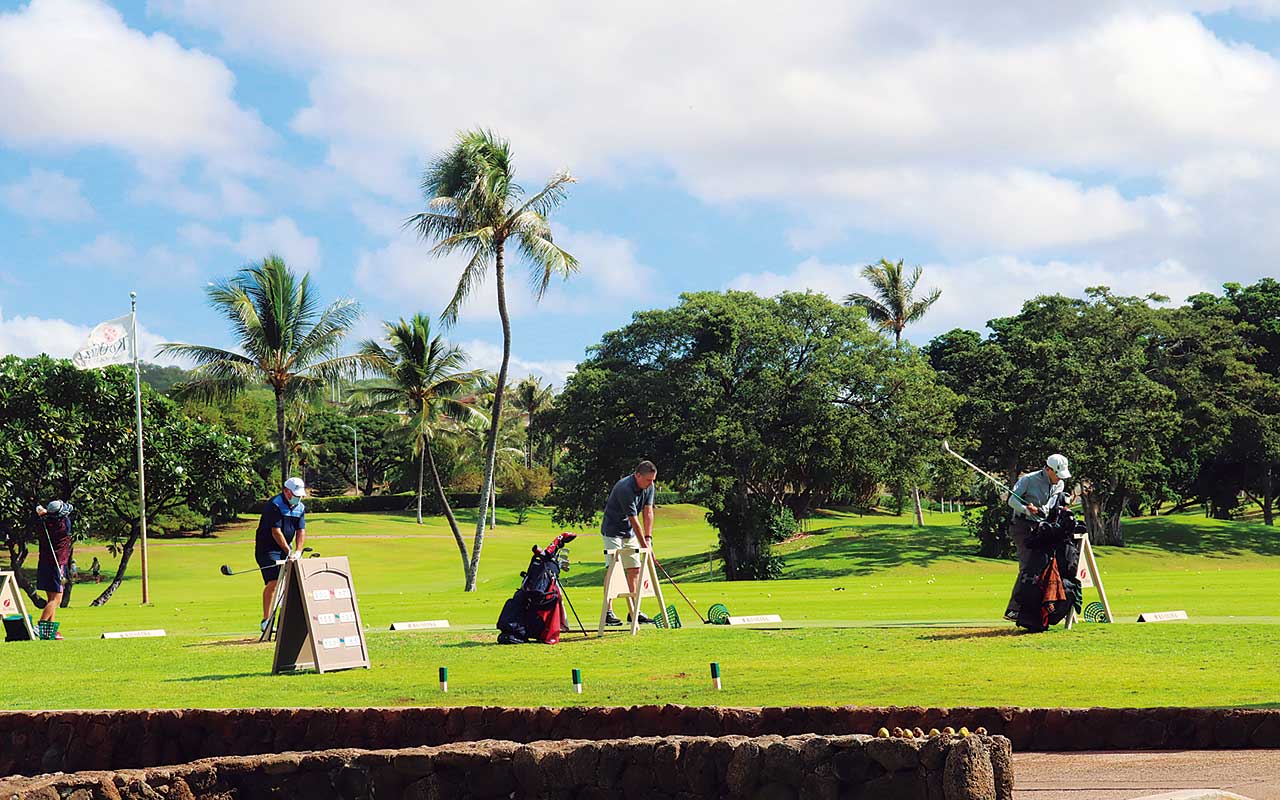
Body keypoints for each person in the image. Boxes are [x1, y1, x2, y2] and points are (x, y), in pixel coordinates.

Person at [1004, 453, 1070, 621]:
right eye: (1057, 474)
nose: (1059, 479)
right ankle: (1014, 610)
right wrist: (1027, 509)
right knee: (1027, 566)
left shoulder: (1059, 484)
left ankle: (1037, 609)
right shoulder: (1028, 480)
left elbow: (1049, 506)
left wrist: (1041, 511)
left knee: (1042, 565)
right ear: (1048, 469)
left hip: (1041, 526)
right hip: (1022, 526)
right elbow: (1012, 501)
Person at [600, 460, 658, 626]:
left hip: (629, 533)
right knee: (613, 569)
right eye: (648, 480)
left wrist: (648, 539)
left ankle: (634, 611)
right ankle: (608, 612)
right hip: (612, 531)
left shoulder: (649, 486)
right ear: (637, 475)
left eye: (653, 480)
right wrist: (645, 547)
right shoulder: (625, 488)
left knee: (634, 569)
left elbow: (648, 512)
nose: (650, 484)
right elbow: (634, 520)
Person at [255, 476, 308, 632]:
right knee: (273, 581)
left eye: (300, 495)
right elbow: (275, 532)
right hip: (267, 549)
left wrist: (298, 551)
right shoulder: (274, 505)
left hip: (287, 549)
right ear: (286, 491)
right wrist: (289, 551)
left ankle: (285, 621)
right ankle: (266, 621)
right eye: (296, 494)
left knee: (289, 584)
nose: (298, 498)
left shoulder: (300, 508)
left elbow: (301, 531)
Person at [34, 500, 74, 640]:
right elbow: (63, 515)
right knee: (57, 599)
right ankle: (41, 625)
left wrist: (43, 513)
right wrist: (46, 512)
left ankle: (50, 631)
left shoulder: (43, 523)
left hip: (44, 562)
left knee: (51, 598)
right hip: (58, 564)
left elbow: (44, 514)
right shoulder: (64, 525)